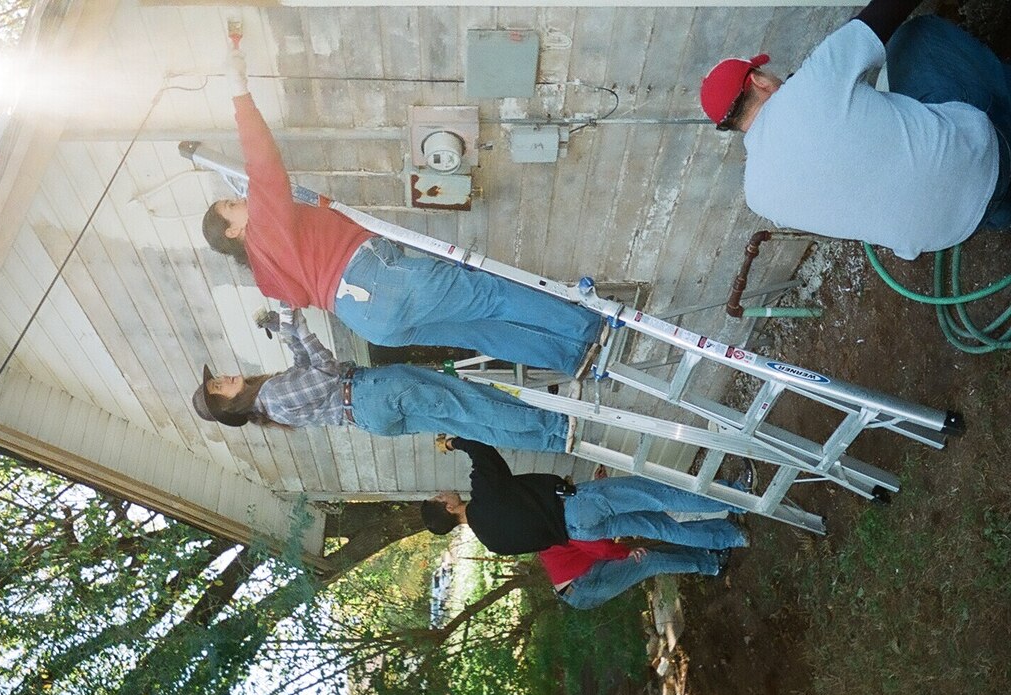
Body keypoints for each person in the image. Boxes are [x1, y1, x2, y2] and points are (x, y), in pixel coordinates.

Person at [202, 48, 607, 378]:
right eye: (231, 206)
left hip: (366, 320)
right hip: (379, 281)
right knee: (490, 294)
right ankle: (589, 327)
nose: (241, 201)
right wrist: (239, 92)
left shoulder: (265, 275)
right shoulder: (263, 231)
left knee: (482, 333)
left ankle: (572, 357)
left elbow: (301, 291)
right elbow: (263, 163)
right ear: (233, 231)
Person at [699, 0, 1011, 260]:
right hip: (986, 162)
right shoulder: (815, 80)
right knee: (916, 38)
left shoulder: (758, 196)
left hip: (948, 231)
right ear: (759, 80)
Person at [421, 436, 749, 610]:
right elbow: (482, 451)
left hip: (579, 530)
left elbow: (549, 542)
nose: (442, 492)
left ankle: (732, 535)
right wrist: (452, 443)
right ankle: (737, 496)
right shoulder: (484, 494)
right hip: (576, 506)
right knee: (656, 495)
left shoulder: (494, 543)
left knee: (658, 526)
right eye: (439, 496)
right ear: (449, 506)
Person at [191, 309, 570, 453]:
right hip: (372, 393)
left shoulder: (271, 401)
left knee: (464, 422)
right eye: (219, 388)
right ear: (230, 405)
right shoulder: (272, 395)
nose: (223, 379)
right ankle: (555, 425)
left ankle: (549, 439)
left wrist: (283, 328)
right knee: (468, 402)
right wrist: (301, 325)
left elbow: (303, 366)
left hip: (371, 414)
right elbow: (325, 372)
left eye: (216, 380)